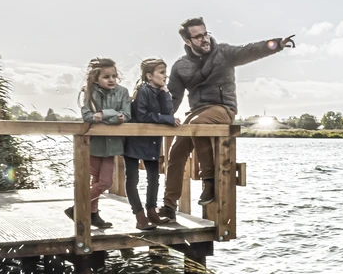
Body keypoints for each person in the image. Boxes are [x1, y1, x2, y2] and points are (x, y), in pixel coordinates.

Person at [158, 17, 294, 221]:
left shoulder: (224, 53)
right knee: (176, 150)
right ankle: (169, 207)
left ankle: (209, 181)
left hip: (223, 108)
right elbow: (174, 99)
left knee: (198, 125)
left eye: (205, 34)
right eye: (198, 36)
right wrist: (159, 114)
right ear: (188, 41)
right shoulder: (181, 66)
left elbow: (250, 50)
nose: (204, 39)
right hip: (196, 111)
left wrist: (276, 44)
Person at [65, 57, 130, 229]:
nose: (111, 80)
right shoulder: (89, 93)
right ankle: (93, 214)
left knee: (106, 182)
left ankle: (77, 207)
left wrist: (103, 114)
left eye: (114, 76)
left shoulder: (122, 92)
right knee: (96, 180)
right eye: (106, 77)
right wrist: (113, 116)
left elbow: (126, 115)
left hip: (112, 145)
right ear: (96, 78)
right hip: (94, 144)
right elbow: (88, 117)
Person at [123, 57, 178, 230]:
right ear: (149, 76)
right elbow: (142, 116)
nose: (165, 76)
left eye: (165, 72)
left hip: (152, 141)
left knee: (154, 177)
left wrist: (165, 94)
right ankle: (140, 216)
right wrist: (167, 119)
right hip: (134, 139)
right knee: (132, 178)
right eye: (161, 73)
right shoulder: (143, 90)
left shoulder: (161, 91)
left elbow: (169, 111)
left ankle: (152, 212)